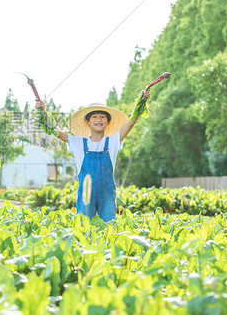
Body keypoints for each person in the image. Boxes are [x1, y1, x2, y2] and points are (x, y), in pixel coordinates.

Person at [36, 90, 149, 222]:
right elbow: (55, 132)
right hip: (86, 193)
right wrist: (42, 112)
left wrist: (142, 101)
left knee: (108, 228)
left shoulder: (113, 141)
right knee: (84, 227)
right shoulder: (78, 142)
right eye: (94, 117)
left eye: (102, 117)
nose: (98, 120)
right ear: (88, 122)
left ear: (108, 122)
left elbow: (130, 123)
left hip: (107, 194)